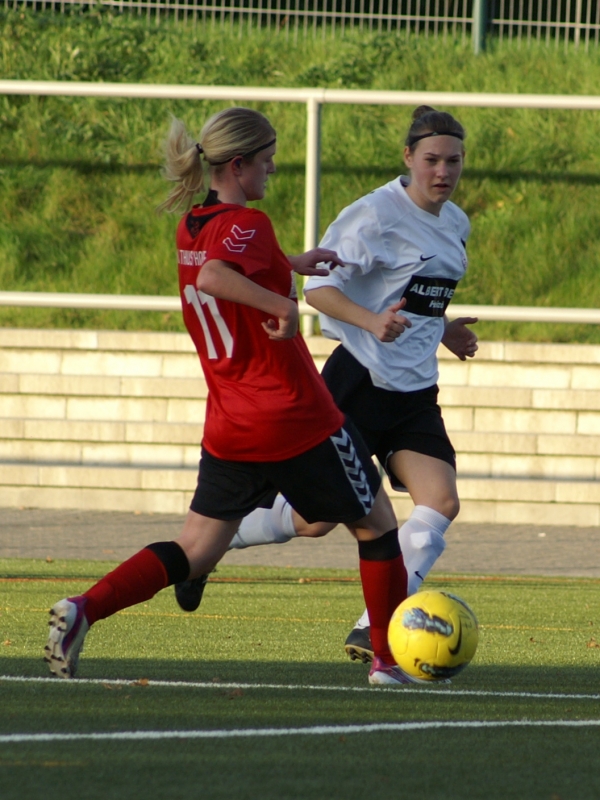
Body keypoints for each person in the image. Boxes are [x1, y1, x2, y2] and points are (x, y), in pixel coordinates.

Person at [44, 107, 416, 687]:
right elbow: (217, 276)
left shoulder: (192, 226)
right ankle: (388, 663)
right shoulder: (249, 223)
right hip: (293, 414)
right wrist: (284, 305)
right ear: (238, 165)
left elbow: (223, 264)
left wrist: (289, 264)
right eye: (267, 160)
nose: (273, 170)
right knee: (377, 523)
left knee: (195, 550)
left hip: (230, 420)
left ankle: (84, 608)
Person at [174, 105, 478, 665]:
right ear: (408, 158)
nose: (443, 171)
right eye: (432, 159)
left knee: (441, 501)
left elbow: (416, 299)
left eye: (453, 161)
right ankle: (210, 550)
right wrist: (371, 323)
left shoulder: (456, 222)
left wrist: (444, 329)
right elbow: (318, 291)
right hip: (357, 380)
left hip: (415, 394)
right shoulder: (374, 214)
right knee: (314, 521)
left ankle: (377, 627)